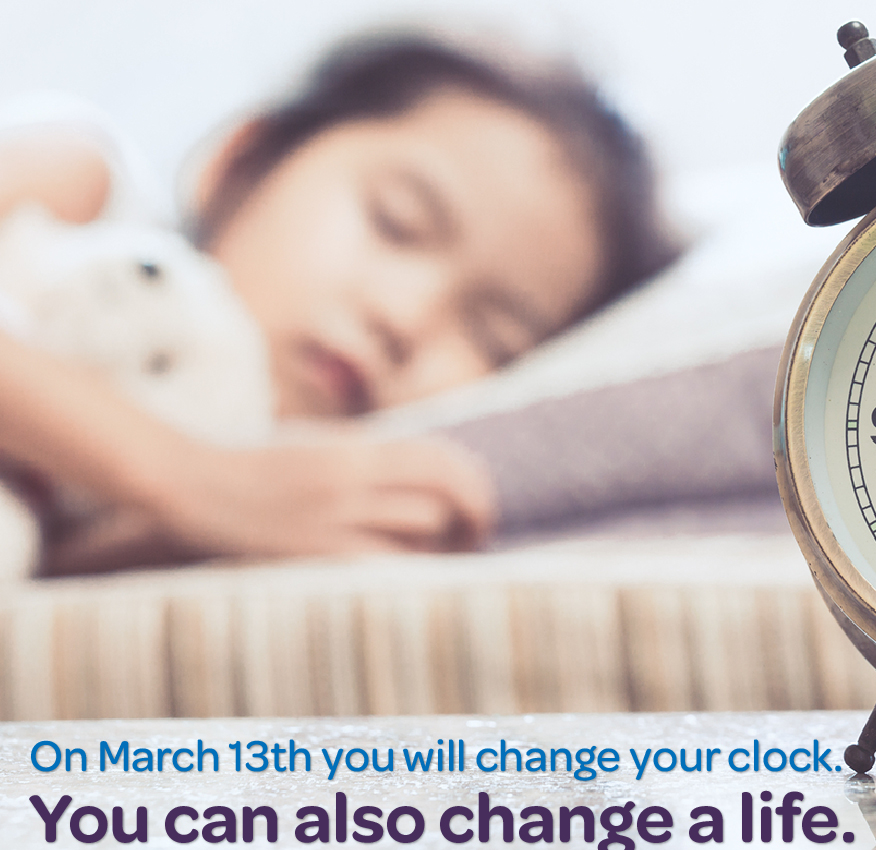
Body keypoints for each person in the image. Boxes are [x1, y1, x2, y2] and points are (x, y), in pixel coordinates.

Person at [0, 36, 676, 574]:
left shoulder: (242, 498)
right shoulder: (85, 183)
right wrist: (187, 477)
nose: (404, 318)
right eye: (396, 221)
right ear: (241, 160)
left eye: (492, 337)